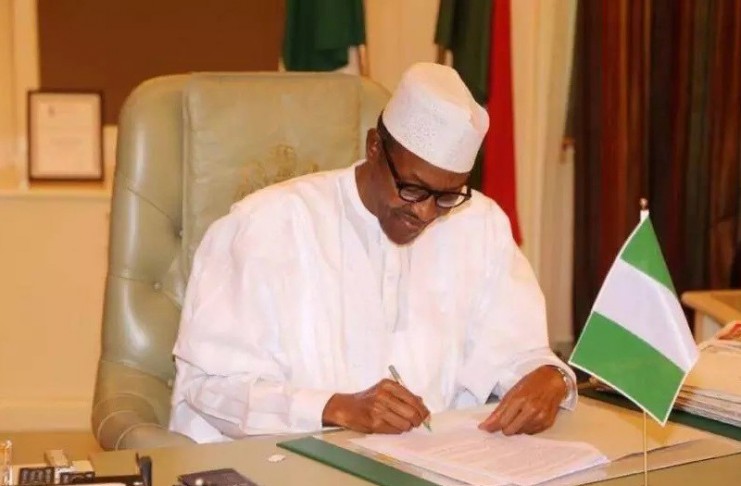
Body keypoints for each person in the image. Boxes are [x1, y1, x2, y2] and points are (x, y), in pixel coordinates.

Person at [169, 62, 576, 443]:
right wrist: (335, 408)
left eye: (447, 196)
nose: (425, 213)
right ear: (374, 148)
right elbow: (208, 387)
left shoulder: (480, 224)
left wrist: (550, 377)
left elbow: (520, 353)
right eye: (412, 188)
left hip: (436, 464)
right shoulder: (267, 225)